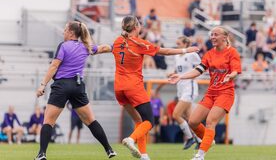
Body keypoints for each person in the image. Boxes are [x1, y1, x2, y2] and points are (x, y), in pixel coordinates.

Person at [111, 15, 199, 160]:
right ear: (136, 27)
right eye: (139, 25)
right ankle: (131, 139)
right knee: (150, 121)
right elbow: (165, 51)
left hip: (118, 88)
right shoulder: (140, 44)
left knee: (139, 122)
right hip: (133, 87)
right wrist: (185, 50)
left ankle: (144, 155)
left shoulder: (118, 41)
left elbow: (108, 48)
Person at [34, 21, 116, 160]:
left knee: (48, 121)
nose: (63, 32)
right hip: (78, 86)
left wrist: (42, 85)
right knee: (90, 120)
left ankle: (41, 154)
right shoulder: (85, 46)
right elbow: (102, 48)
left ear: (71, 33)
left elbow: (54, 66)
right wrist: (116, 46)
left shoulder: (64, 46)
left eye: (65, 30)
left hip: (62, 85)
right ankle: (109, 149)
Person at [169, 26, 241, 160]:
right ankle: (208, 140)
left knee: (210, 122)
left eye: (216, 34)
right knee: (193, 122)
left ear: (224, 38)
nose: (212, 37)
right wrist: (180, 76)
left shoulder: (232, 52)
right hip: (211, 93)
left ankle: (200, 155)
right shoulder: (209, 54)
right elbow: (198, 70)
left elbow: (236, 71)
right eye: (211, 34)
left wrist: (231, 76)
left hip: (225, 93)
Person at [169, 36, 201, 150]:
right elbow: (178, 71)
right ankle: (200, 140)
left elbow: (202, 66)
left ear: (185, 44)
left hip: (189, 87)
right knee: (189, 117)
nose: (177, 46)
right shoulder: (177, 56)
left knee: (176, 114)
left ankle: (189, 137)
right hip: (180, 87)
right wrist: (171, 74)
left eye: (179, 44)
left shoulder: (191, 54)